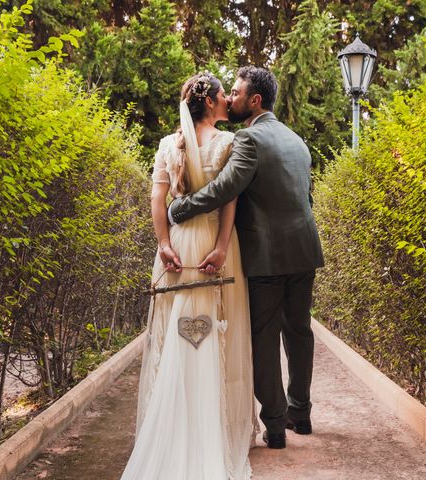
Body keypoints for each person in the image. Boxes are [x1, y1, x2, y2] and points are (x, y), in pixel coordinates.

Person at [168, 66, 324, 450]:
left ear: (255, 101)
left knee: (265, 338)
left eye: (236, 93)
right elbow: (303, 198)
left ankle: (274, 425)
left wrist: (181, 209)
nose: (231, 98)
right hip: (304, 251)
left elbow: (225, 188)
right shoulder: (297, 141)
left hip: (267, 257)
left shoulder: (249, 139)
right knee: (300, 332)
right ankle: (300, 413)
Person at [121, 73, 256, 480]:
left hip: (178, 243)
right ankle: (216, 424)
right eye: (223, 96)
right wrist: (219, 246)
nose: (227, 102)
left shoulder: (168, 144)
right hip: (215, 242)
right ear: (212, 102)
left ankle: (173, 417)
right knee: (217, 332)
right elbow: (228, 200)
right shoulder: (227, 143)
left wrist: (163, 244)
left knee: (176, 329)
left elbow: (157, 198)